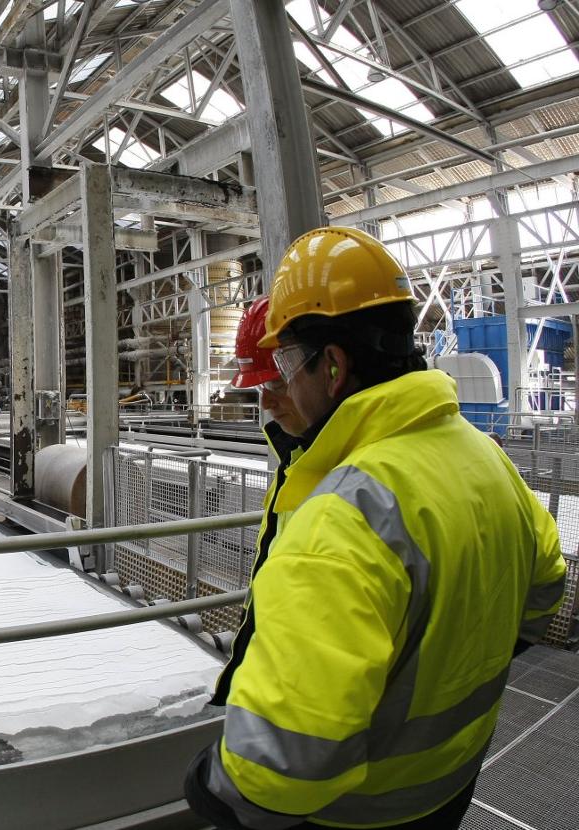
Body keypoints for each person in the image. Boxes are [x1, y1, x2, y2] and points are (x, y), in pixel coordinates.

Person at [185, 226, 567, 830]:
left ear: (332, 366)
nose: (277, 391)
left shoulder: (345, 517)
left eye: (286, 364)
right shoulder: (486, 457)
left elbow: (277, 773)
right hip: (454, 782)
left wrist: (212, 785)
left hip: (357, 812)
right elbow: (548, 586)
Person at [210, 296, 305, 707]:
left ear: (334, 367)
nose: (265, 403)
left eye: (276, 384)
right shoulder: (483, 460)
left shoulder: (349, 499)